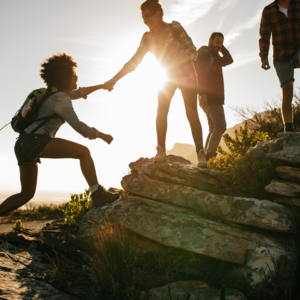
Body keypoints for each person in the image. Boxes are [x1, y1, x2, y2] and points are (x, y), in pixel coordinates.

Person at [0, 53, 119, 217]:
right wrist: (101, 135)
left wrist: (101, 86)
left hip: (22, 144)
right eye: (74, 75)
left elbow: (78, 93)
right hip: (36, 142)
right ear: (67, 78)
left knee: (26, 194)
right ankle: (97, 194)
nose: (76, 78)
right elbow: (78, 126)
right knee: (83, 152)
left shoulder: (48, 93)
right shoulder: (61, 98)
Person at [104, 0, 207, 167]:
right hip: (167, 76)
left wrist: (175, 61)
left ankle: (200, 153)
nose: (145, 20)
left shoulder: (175, 27)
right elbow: (134, 61)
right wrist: (114, 79)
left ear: (158, 14)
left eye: (148, 16)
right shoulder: (147, 38)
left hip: (186, 74)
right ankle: (161, 150)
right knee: (161, 110)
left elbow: (192, 51)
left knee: (191, 112)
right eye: (143, 17)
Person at [259, 0, 300, 132]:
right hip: (281, 54)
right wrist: (264, 57)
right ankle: (288, 128)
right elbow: (264, 36)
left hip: (298, 48)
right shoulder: (268, 10)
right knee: (287, 89)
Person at [195, 32, 233, 161]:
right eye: (217, 42)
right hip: (209, 96)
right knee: (220, 125)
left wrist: (221, 48)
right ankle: (210, 154)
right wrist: (202, 94)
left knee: (213, 128)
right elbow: (200, 74)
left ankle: (205, 156)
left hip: (212, 96)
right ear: (210, 40)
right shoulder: (205, 53)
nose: (219, 45)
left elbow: (229, 60)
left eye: (221, 43)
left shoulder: (216, 56)